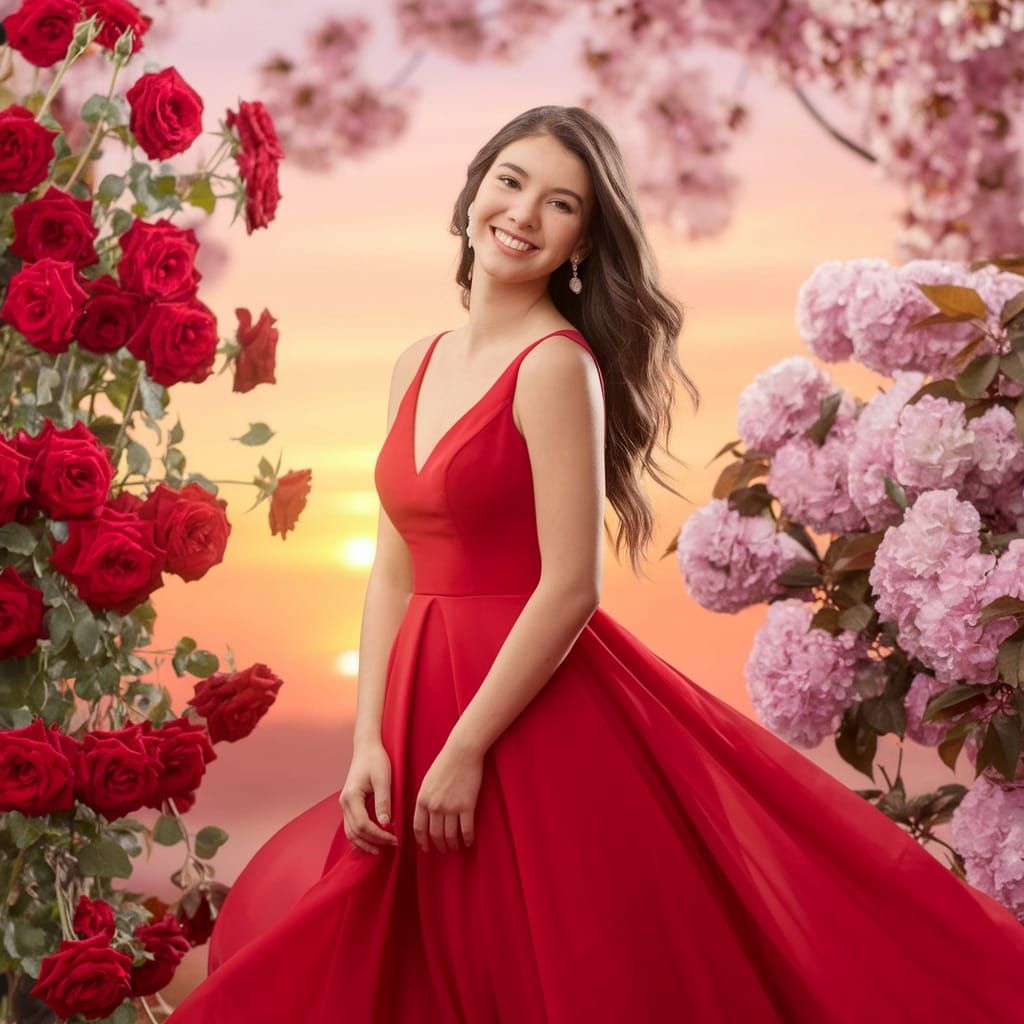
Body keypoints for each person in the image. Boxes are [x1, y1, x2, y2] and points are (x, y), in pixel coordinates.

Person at [167, 105, 1024, 1023]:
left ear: (581, 241)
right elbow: (391, 570)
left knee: (537, 963)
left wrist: (465, 750)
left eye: (561, 203)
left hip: (519, 714)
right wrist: (369, 737)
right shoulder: (415, 361)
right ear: (472, 194)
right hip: (420, 698)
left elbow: (571, 583)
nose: (524, 213)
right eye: (510, 181)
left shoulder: (554, 367)